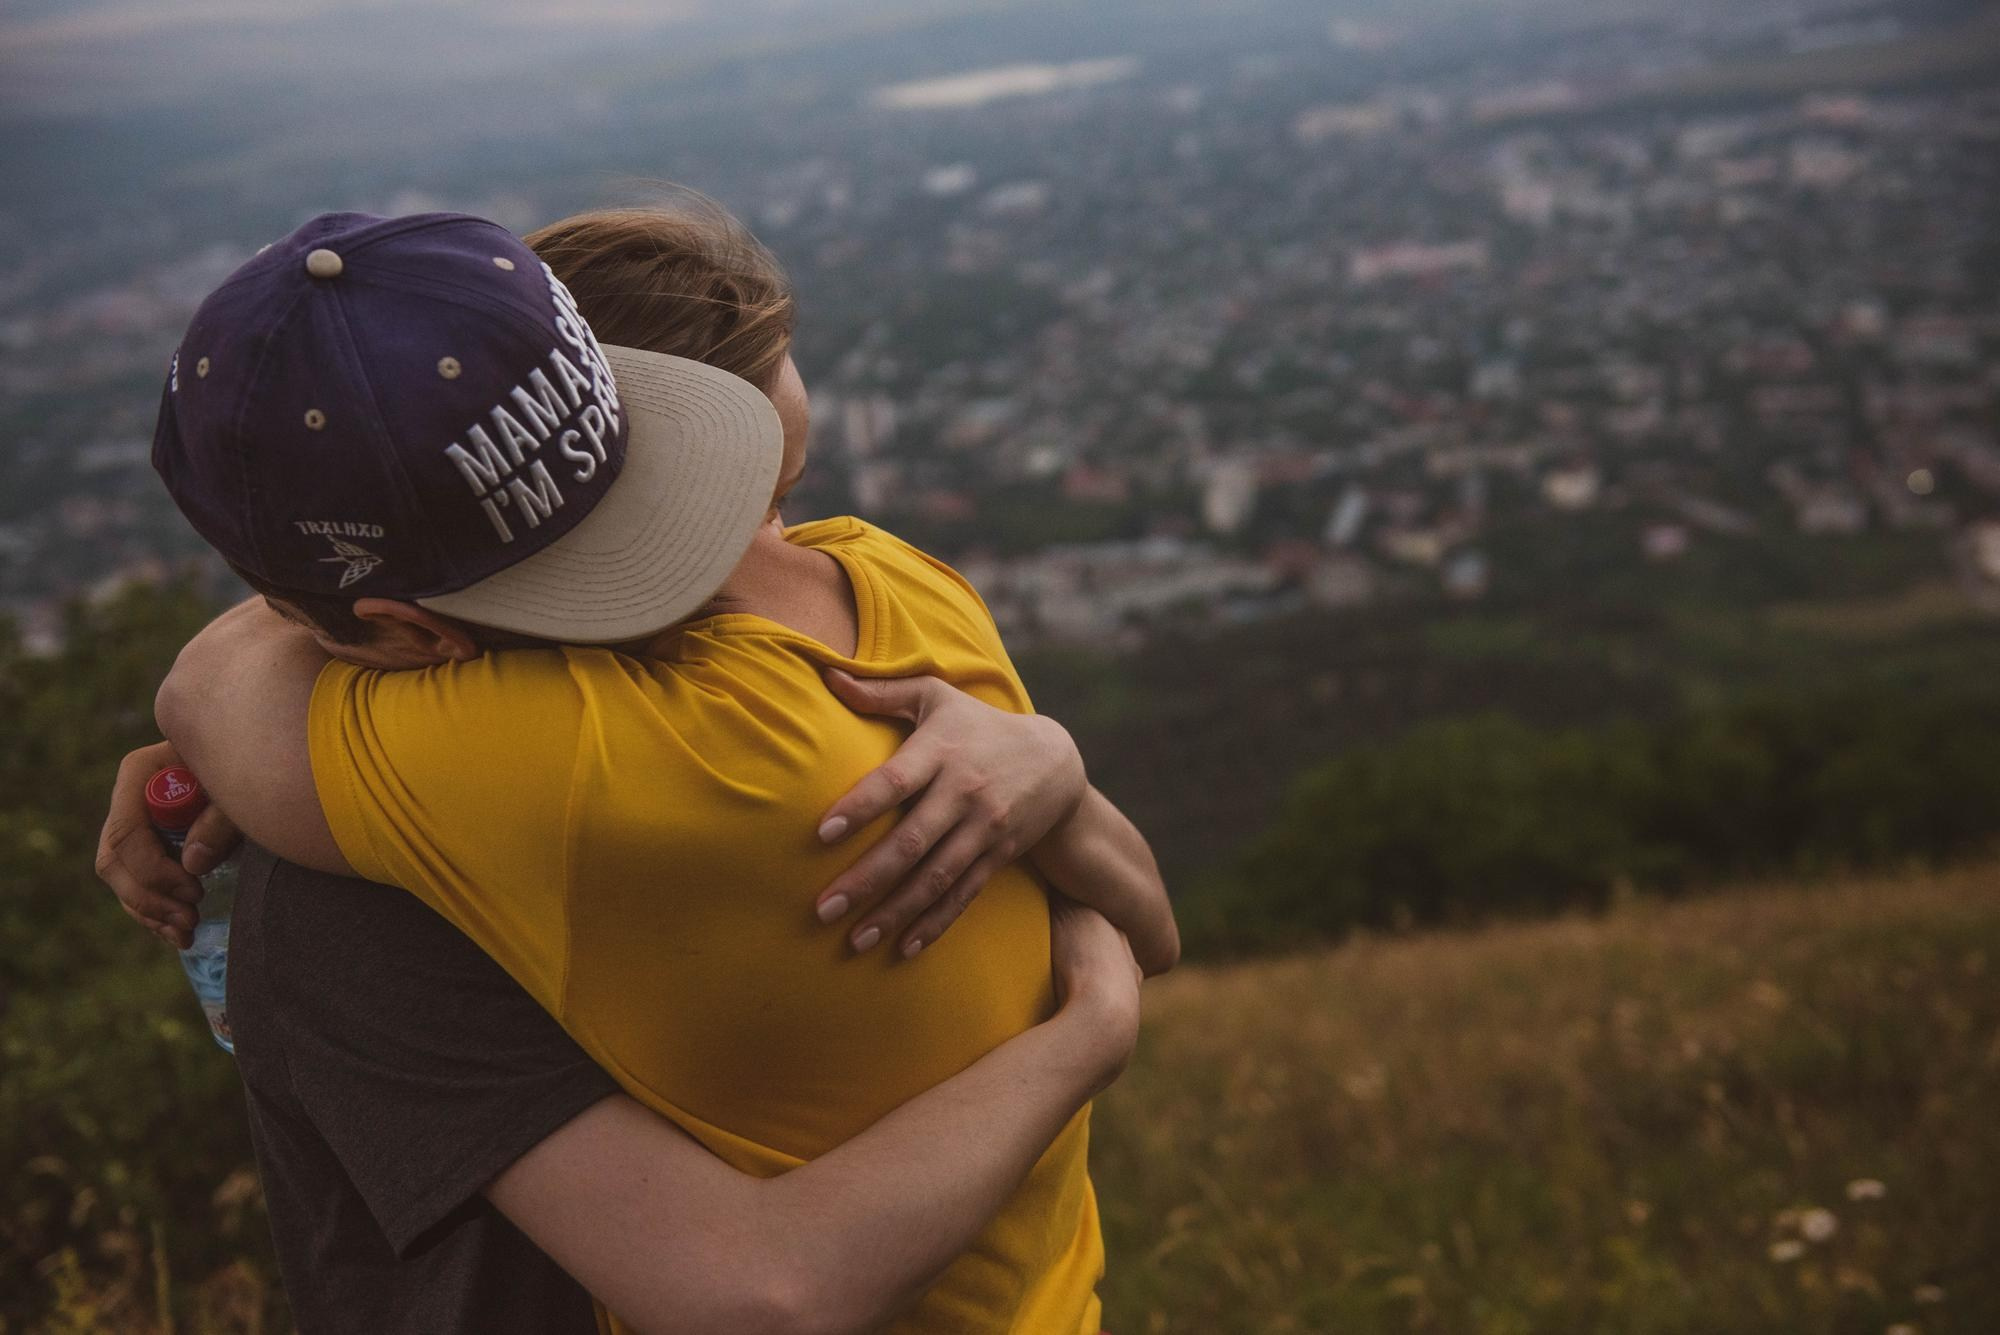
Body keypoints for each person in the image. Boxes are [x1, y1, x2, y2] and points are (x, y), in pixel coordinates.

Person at [121, 202, 1174, 1331]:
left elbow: (205, 690)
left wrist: (215, 735)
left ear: (411, 635)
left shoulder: (561, 763)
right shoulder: (896, 582)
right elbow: (1152, 928)